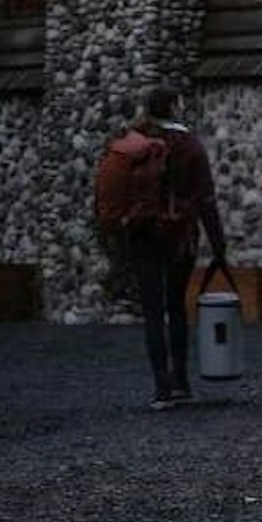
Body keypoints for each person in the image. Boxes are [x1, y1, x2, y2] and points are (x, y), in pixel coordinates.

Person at [99, 86, 228, 409]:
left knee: (153, 312)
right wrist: (218, 244)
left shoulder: (132, 143)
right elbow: (206, 199)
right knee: (176, 305)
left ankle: (161, 387)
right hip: (179, 234)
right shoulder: (190, 144)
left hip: (142, 233)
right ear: (175, 105)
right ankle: (181, 380)